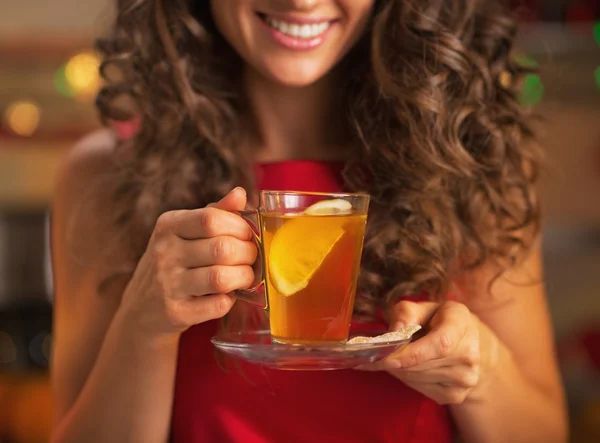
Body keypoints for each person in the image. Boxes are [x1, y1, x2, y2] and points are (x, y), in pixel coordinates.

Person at [49, 1, 568, 442]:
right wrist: (144, 322)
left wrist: (481, 369)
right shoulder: (105, 176)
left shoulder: (471, 168)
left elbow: (546, 430)